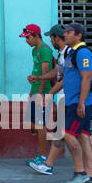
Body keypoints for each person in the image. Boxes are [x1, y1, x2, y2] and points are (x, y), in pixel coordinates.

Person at [60, 22, 92, 183]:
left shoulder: (83, 53)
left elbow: (87, 77)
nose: (65, 35)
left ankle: (79, 172)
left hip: (79, 102)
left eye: (69, 32)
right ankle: (89, 175)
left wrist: (81, 102)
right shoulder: (72, 53)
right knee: (83, 135)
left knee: (68, 134)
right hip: (74, 101)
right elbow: (66, 78)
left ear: (78, 35)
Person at [28, 24, 69, 175]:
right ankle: (91, 166)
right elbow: (55, 72)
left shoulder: (65, 53)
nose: (50, 40)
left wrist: (45, 94)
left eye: (51, 37)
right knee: (75, 134)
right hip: (61, 96)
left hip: (68, 98)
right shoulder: (61, 54)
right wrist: (37, 81)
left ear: (56, 38)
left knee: (66, 133)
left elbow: (63, 78)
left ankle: (46, 161)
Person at [19, 23, 53, 165]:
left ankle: (43, 156)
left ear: (36, 36)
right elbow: (37, 72)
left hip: (43, 93)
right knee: (33, 123)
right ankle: (42, 154)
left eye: (28, 38)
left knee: (39, 125)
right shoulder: (35, 50)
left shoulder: (45, 50)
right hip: (36, 90)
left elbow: (45, 74)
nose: (27, 41)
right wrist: (31, 92)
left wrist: (39, 94)